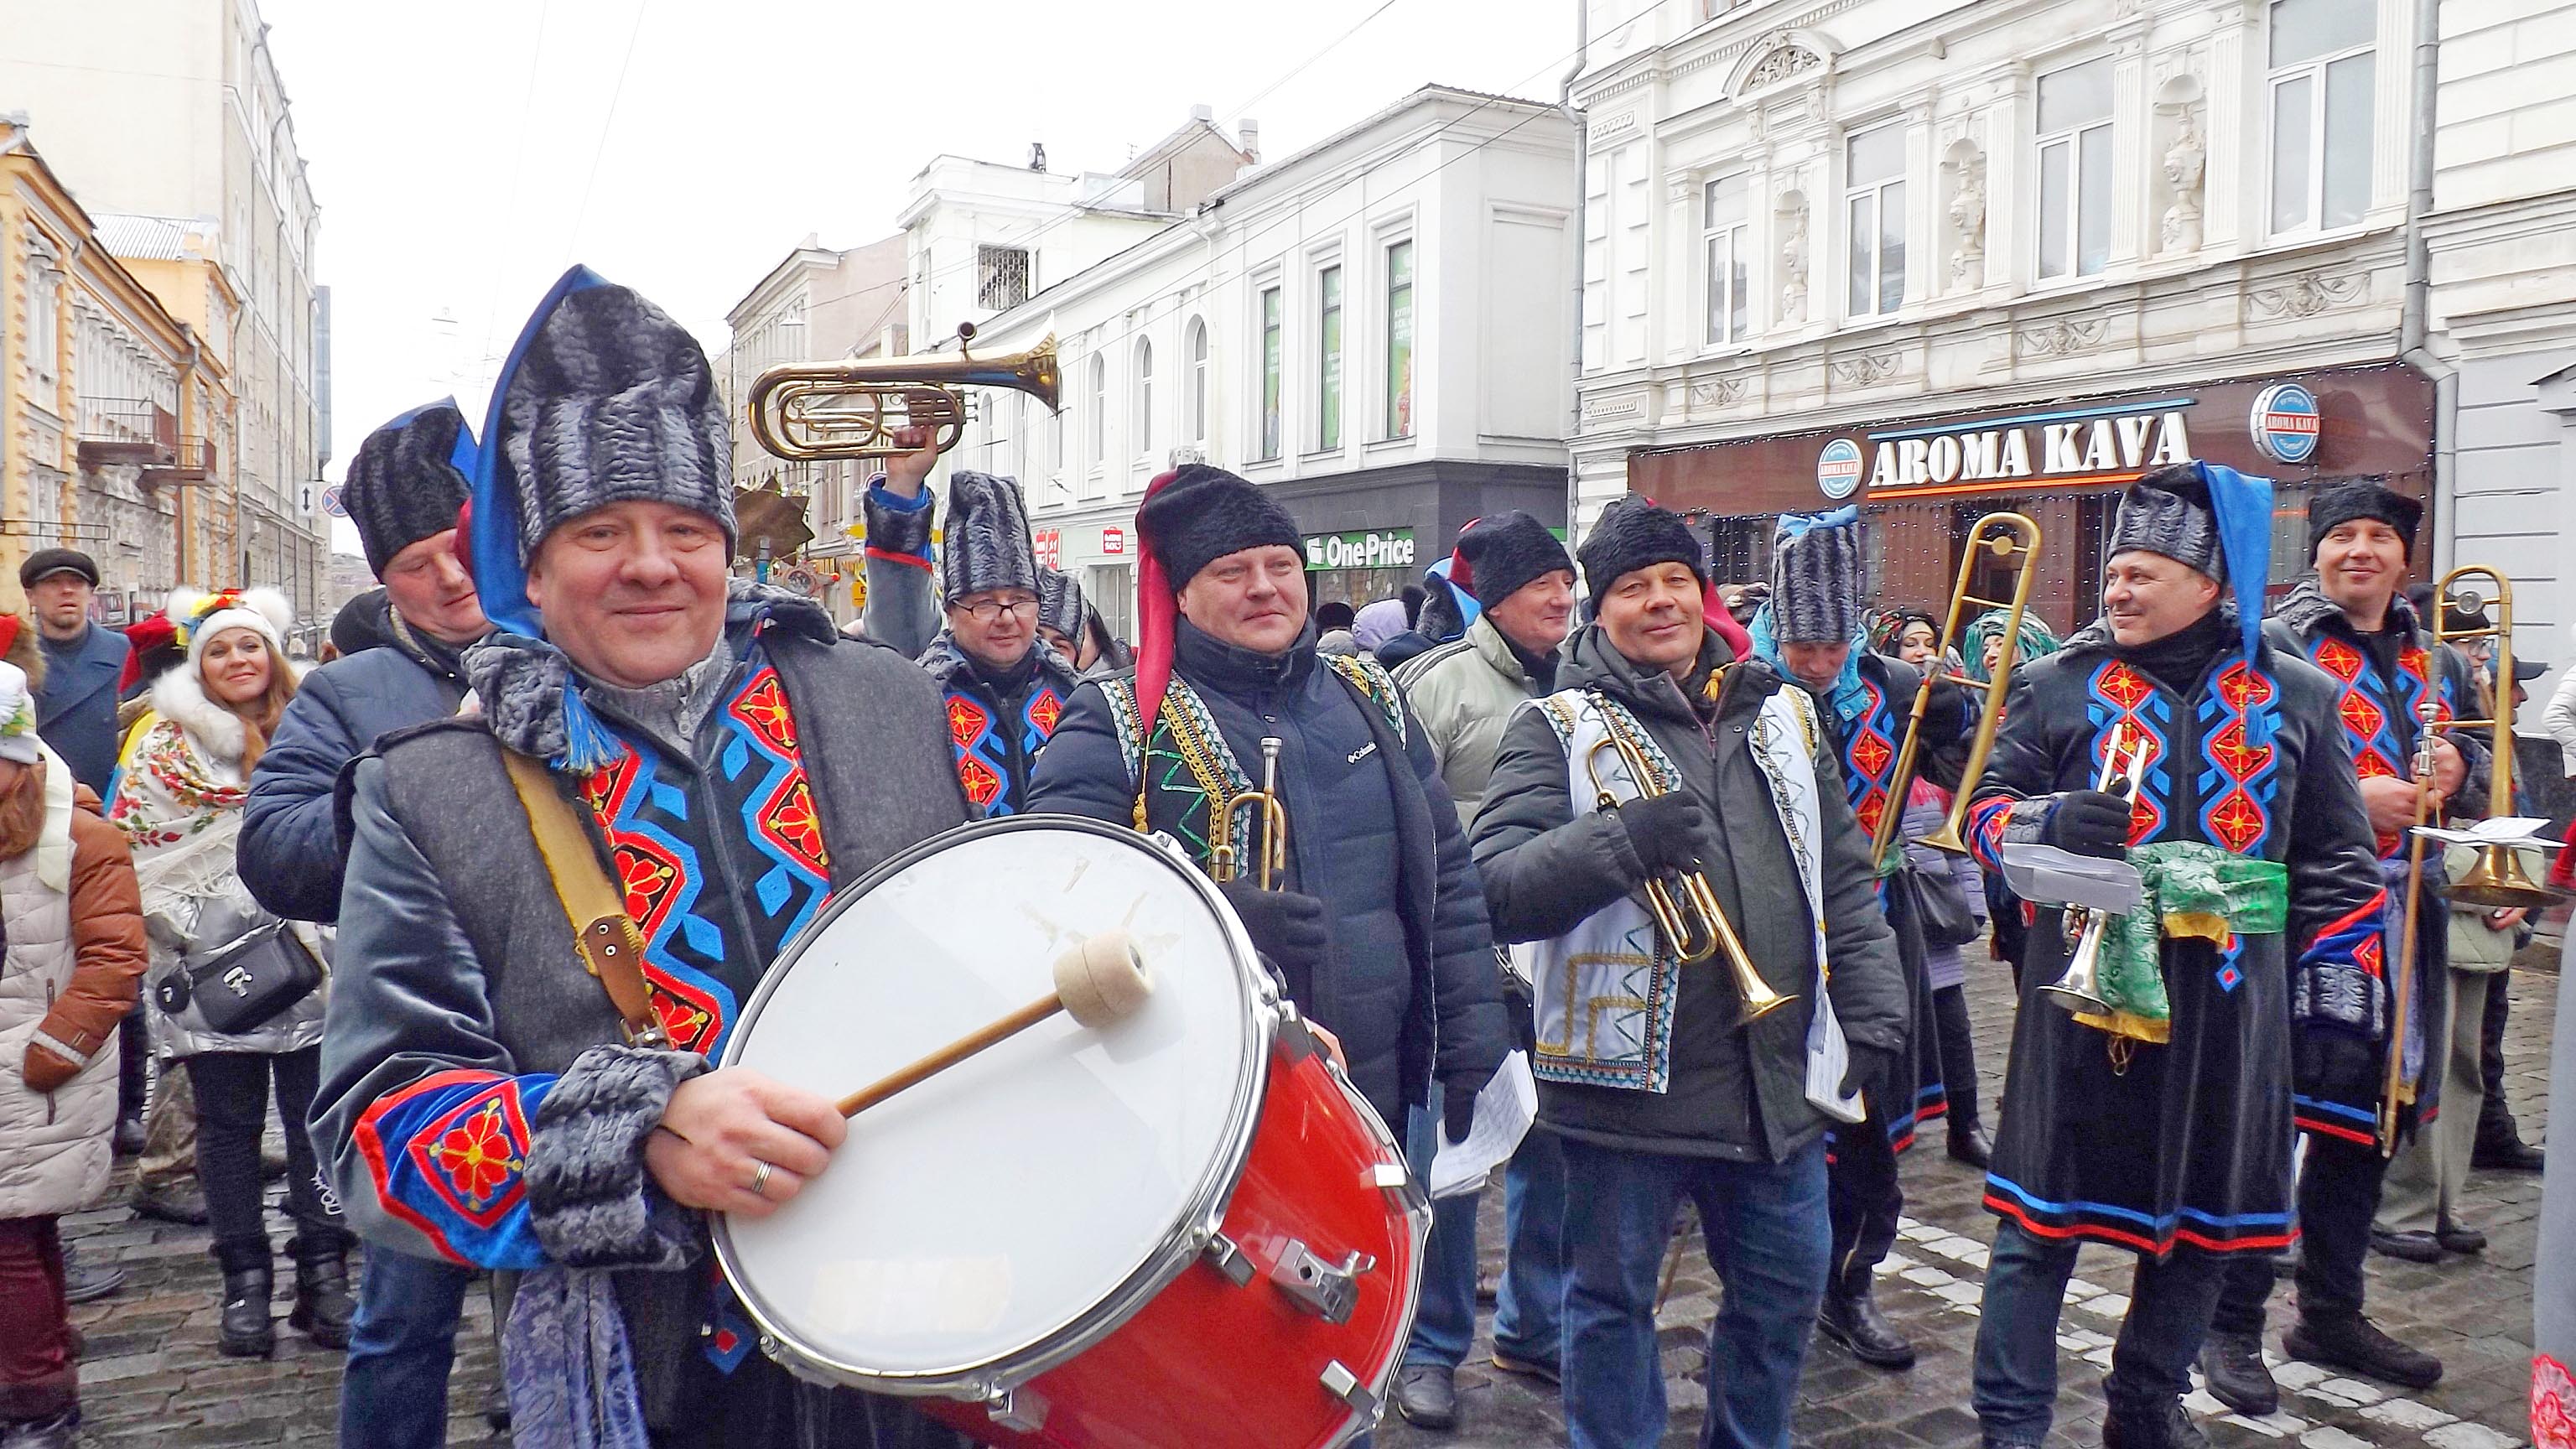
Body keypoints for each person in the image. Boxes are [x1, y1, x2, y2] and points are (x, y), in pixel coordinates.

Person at [309, 268, 973, 1446]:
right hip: (657, 1375)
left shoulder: (888, 704)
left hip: (929, 1320)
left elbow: (991, 954)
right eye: (599, 533)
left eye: (685, 531)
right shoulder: (428, 791)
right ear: (531, 570)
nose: (652, 564)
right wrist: (629, 1136)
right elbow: (376, 1136)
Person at [1028, 466, 1509, 1429]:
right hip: (1206, 1107)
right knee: (1228, 1353)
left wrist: (1475, 1020)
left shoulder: (1369, 691)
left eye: (1281, 565)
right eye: (1233, 570)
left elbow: (1446, 873)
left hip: (1373, 1084)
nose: (1264, 588)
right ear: (1182, 593)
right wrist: (1217, 919)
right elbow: (1056, 896)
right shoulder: (1118, 714)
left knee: (1357, 1329)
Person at [1962, 462, 2386, 1449]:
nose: (2118, 591)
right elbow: (1980, 814)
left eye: (2143, 573)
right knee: (2037, 1231)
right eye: (2115, 573)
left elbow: (2338, 862)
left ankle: (2145, 1406)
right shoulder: (2054, 685)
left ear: (2211, 584)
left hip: (2232, 1023)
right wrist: (2042, 820)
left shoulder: (2299, 696)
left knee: (2203, 1234)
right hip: (2077, 1015)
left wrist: (2318, 988)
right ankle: (2010, 1429)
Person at [1471, 496, 1909, 1449]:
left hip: (1776, 1077)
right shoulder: (1557, 726)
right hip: (1625, 1092)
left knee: (1784, 1296)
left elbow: (1844, 876)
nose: (1660, 602)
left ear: (1704, 594)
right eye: (1634, 587)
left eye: (1676, 581)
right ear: (1600, 610)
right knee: (1609, 1305)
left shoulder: (1785, 713)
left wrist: (1875, 1011)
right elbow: (1493, 886)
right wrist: (1615, 843)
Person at [236, 402, 494, 1448]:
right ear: (382, 578)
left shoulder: (580, 640)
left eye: (462, 548)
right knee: (404, 1318)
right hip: (425, 1039)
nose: (449, 578)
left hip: (576, 1017)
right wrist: (406, 781)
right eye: (417, 562)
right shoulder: (346, 691)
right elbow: (274, 853)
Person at [2190, 483, 2468, 1415]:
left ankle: (2331, 1311)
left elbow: (2447, 763)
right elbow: (2238, 770)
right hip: (2308, 918)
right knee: (2273, 1124)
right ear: (2315, 553)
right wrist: (2356, 801)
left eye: (2379, 537)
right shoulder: (2276, 646)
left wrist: (2452, 779)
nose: (2359, 551)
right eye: (2341, 535)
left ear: (2403, 554)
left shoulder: (2435, 658)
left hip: (2405, 914)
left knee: (2366, 1120)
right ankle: (2230, 1322)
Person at [105, 587, 350, 1359]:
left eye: (250, 646)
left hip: (316, 960)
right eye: (219, 649)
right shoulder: (162, 747)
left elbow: (351, 827)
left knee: (317, 1121)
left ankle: (323, 1273)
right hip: (211, 967)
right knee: (229, 1129)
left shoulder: (314, 732)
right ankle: (244, 1283)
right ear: (199, 665)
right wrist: (201, 925)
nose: (238, 660)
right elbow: (139, 850)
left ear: (272, 655)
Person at [1749, 510, 1967, 1374]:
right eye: (1803, 643)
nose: (1819, 661)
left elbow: (1984, 762)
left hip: (1875, 933)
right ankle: (1770, 1293)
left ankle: (1850, 1284)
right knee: (1783, 1136)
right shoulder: (1737, 691)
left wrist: (1960, 710)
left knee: (1870, 1136)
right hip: (1770, 940)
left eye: (1835, 641)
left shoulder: (1887, 690)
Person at [1389, 512, 1580, 1423]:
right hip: (1461, 961)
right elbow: (1399, 827)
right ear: (1497, 597)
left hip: (1563, 960)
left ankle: (1536, 1329)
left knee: (1556, 1157)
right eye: (1545, 583)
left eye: (1568, 582)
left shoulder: (1586, 683)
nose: (1563, 596)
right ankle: (1429, 1347)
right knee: (1447, 1170)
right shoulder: (1435, 685)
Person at [0, 660, 148, 1449]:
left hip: (34, 1074)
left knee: (9, 1246)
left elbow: (116, 957)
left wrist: (53, 1050)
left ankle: (35, 1400)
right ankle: (44, 1363)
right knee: (23, 1236)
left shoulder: (81, 836)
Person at [18, 550, 148, 1169]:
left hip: (109, 829)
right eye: (52, 586)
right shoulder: (13, 663)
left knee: (121, 969)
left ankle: (126, 1108)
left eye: (76, 585)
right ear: (34, 597)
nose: (66, 596)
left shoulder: (125, 656)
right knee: (44, 978)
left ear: (92, 595)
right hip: (31, 833)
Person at [1867, 603, 1995, 1166]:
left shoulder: (1936, 707)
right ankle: (1890, 1121)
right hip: (1884, 891)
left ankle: (1964, 1124)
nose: (1921, 650)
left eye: (1929, 641)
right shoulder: (1883, 706)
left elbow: (1966, 780)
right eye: (1908, 643)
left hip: (1933, 891)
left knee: (1949, 1016)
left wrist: (1956, 718)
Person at [881, 470, 1079, 817]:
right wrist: (902, 488)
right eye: (985, 603)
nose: (1006, 618)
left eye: (1020, 599)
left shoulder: (1074, 697)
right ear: (951, 610)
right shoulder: (923, 700)